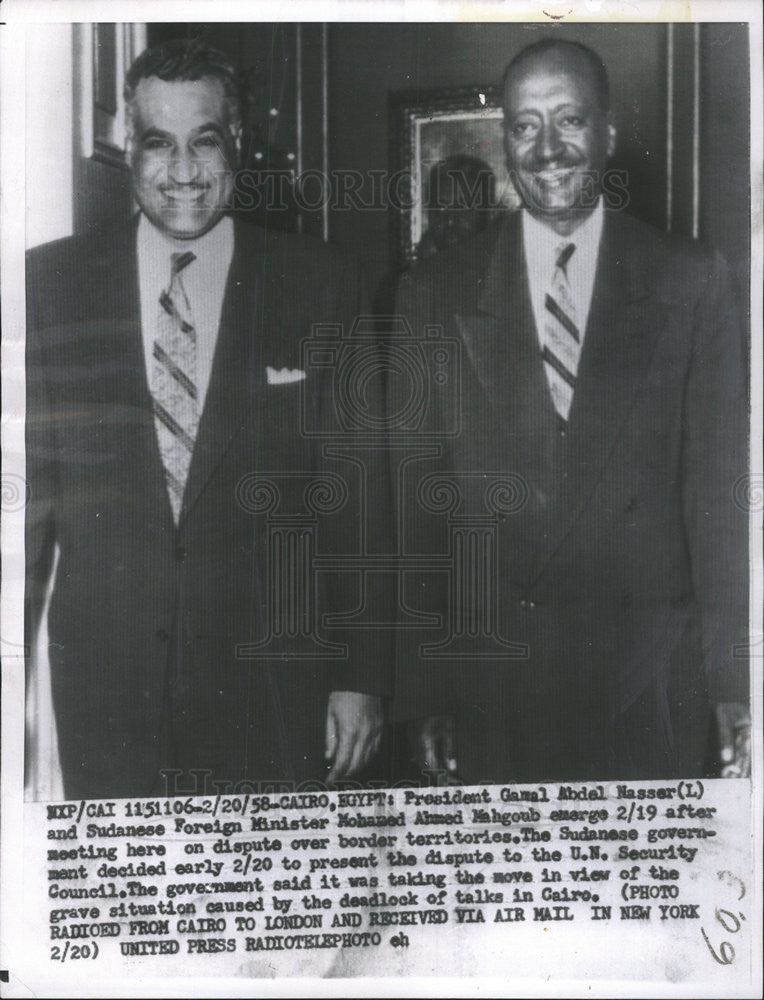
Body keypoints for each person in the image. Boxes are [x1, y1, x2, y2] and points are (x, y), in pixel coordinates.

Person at [25, 38, 390, 800]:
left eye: (206, 141)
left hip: (272, 691)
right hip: (106, 692)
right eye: (159, 143)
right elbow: (27, 507)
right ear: (129, 145)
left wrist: (361, 674)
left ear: (240, 145)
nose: (183, 171)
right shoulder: (50, 288)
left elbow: (360, 500)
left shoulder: (323, 286)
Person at [391, 38, 749, 783]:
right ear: (505, 140)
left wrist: (732, 684)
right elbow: (417, 513)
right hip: (493, 691)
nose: (547, 150)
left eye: (569, 122)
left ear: (608, 132)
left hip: (650, 689)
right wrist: (424, 691)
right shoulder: (433, 294)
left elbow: (716, 503)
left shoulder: (691, 282)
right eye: (525, 126)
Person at [416, 155, 496, 259]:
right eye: (440, 209)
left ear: (488, 213)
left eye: (462, 208)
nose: (450, 221)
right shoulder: (420, 271)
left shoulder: (507, 269)